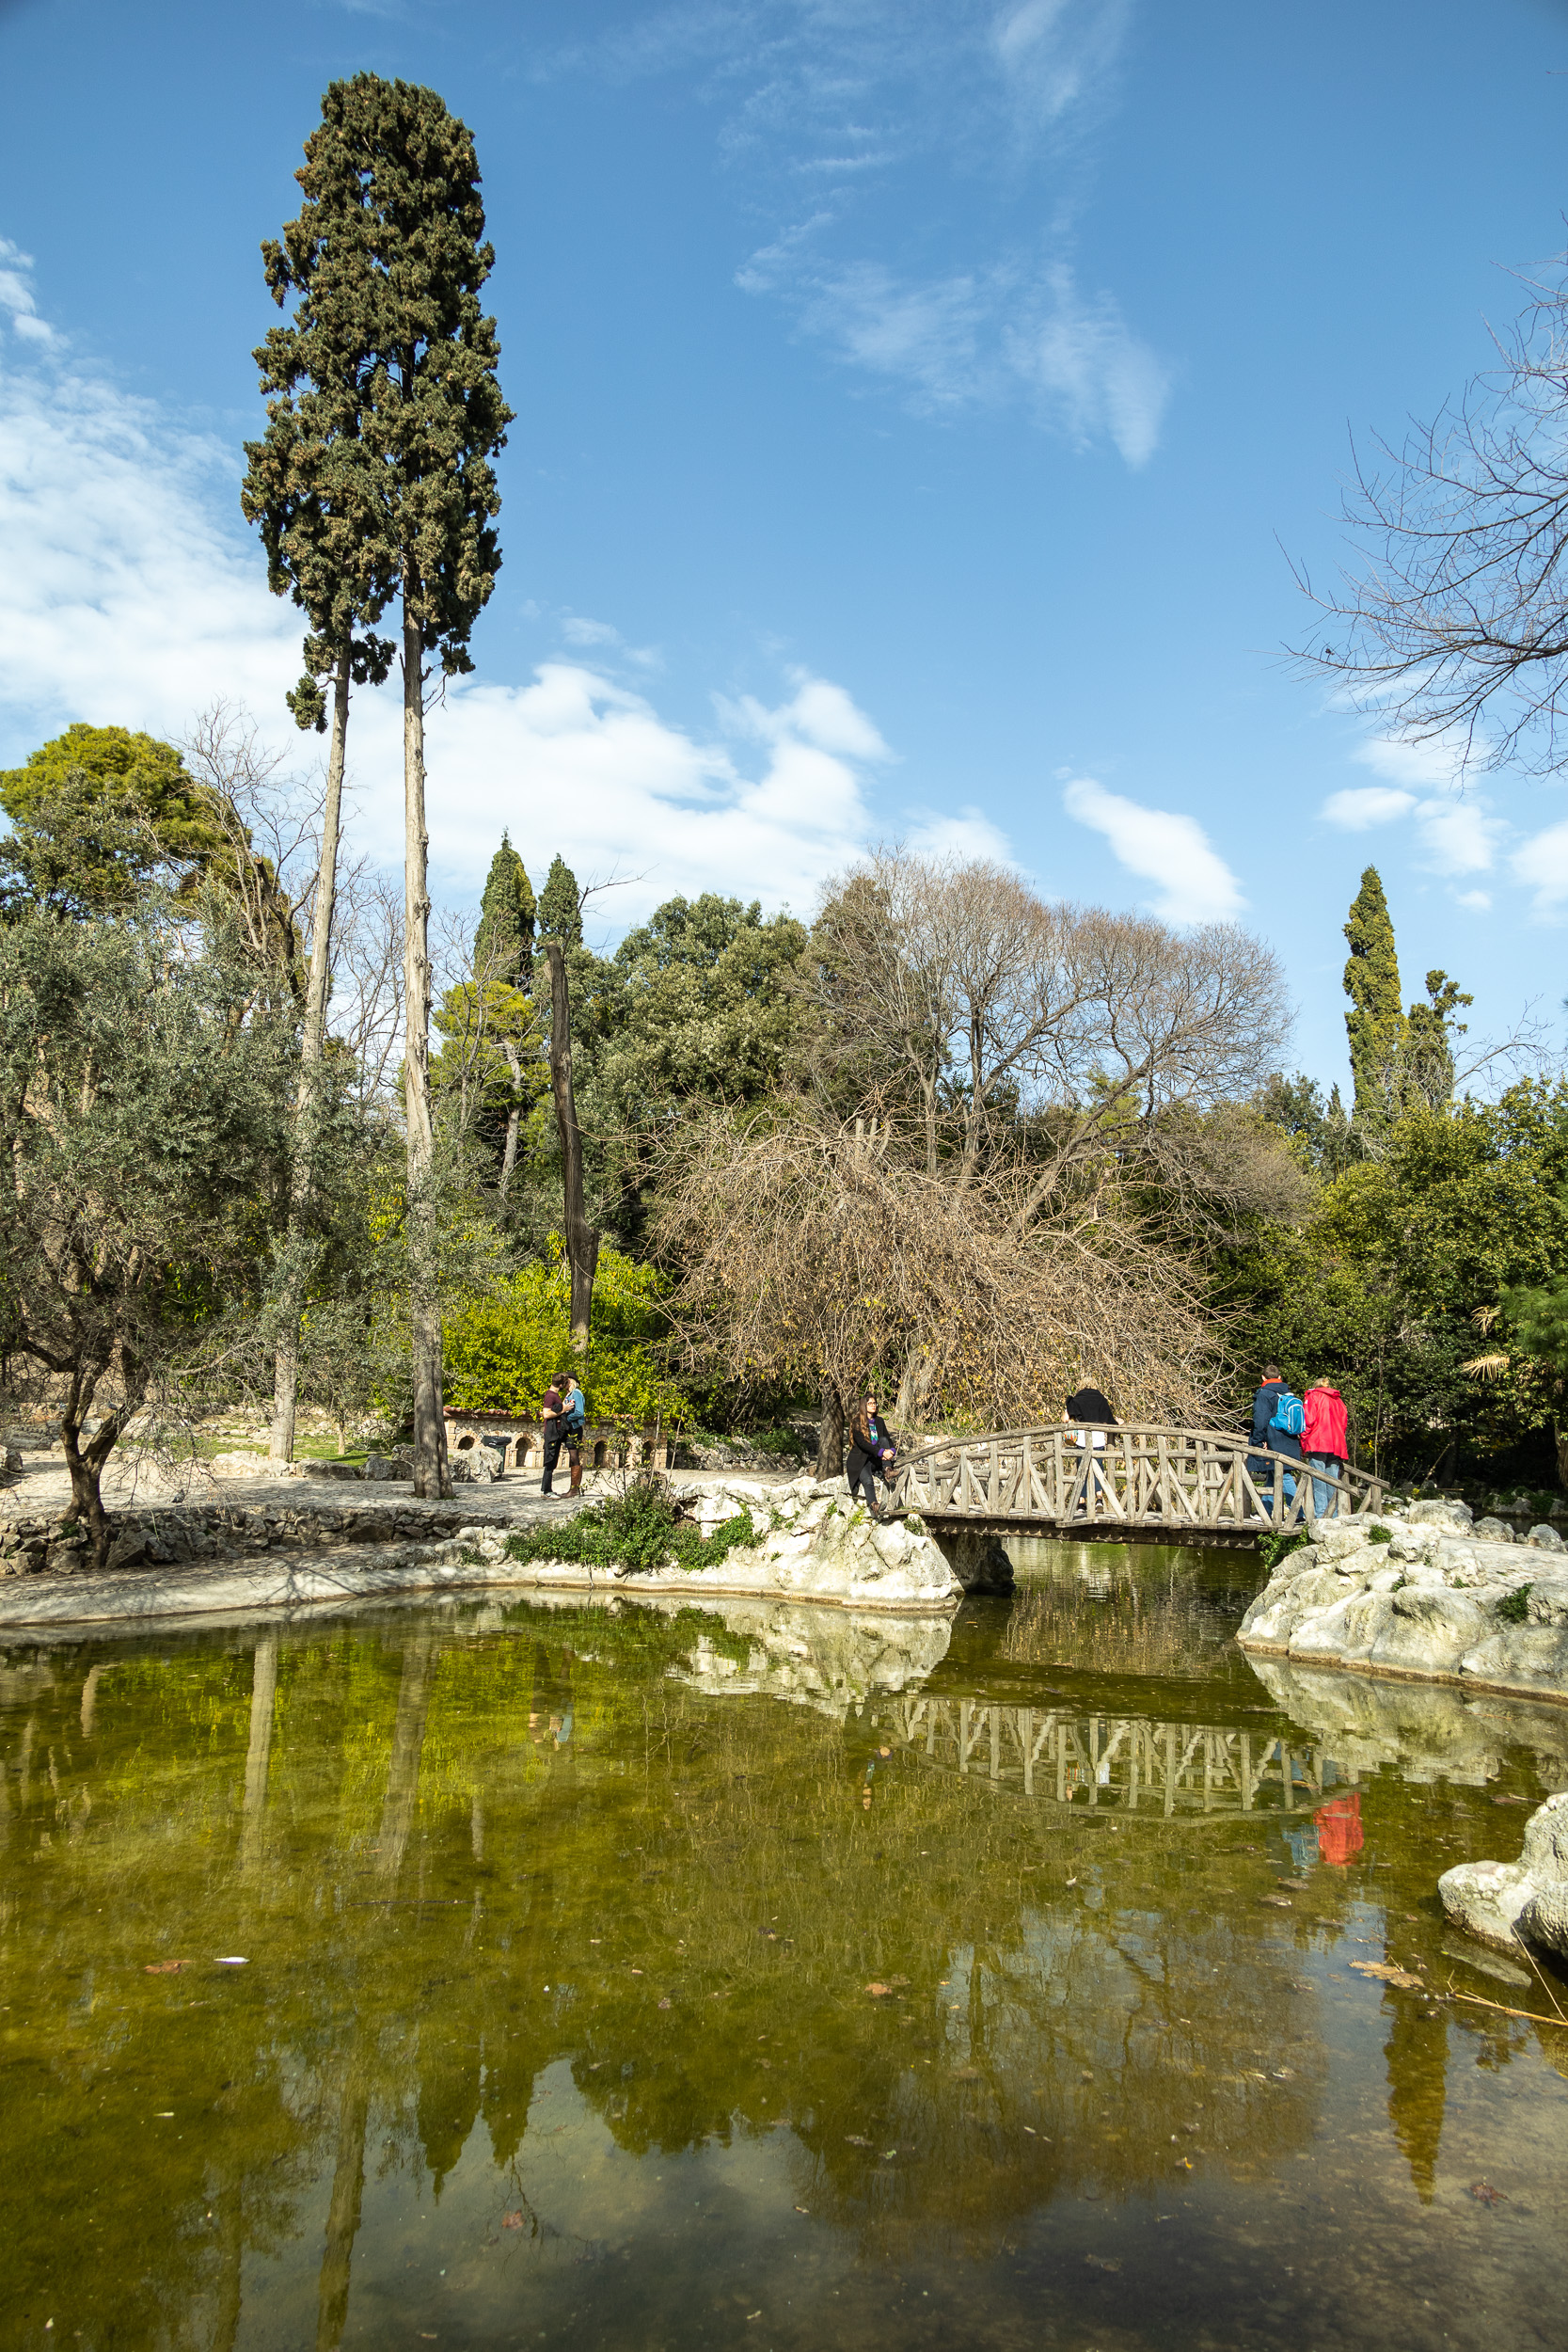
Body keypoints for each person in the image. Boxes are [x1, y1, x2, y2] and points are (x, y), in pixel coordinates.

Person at [1249, 1363, 1302, 1513]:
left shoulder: (1264, 1394)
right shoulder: (1287, 1393)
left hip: (1273, 1440)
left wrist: (1258, 1441)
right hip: (1290, 1438)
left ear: (1263, 1377)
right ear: (1279, 1377)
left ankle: (1298, 1513)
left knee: (1283, 1475)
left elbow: (1260, 1420)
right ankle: (1265, 1511)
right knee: (1273, 1474)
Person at [1302, 1375, 1349, 1519]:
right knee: (1332, 1479)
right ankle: (1333, 1515)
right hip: (1336, 1443)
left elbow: (1308, 1420)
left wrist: (1304, 1439)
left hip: (1318, 1441)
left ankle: (1321, 1515)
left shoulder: (1313, 1396)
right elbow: (1344, 1422)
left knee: (1319, 1478)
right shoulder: (1338, 1400)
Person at [846, 1391, 896, 1519]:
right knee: (867, 1481)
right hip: (860, 1460)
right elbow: (862, 1444)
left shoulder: (879, 1421)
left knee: (884, 1440)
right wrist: (881, 1452)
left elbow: (888, 1440)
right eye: (870, 1403)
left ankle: (888, 1470)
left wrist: (891, 1451)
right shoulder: (857, 1421)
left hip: (876, 1459)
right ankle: (874, 1506)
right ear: (864, 1405)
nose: (873, 1405)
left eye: (874, 1403)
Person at [1065, 1383, 1116, 1511]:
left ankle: (1081, 1503)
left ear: (1081, 1386)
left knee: (1082, 1469)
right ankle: (1099, 1500)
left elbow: (1065, 1419)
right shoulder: (1101, 1400)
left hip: (1082, 1440)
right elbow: (1108, 1420)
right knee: (1098, 1469)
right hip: (1098, 1440)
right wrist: (1118, 1422)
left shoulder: (1076, 1400)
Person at [560, 1372, 588, 1495]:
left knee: (574, 1456)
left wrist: (566, 1417)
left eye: (566, 1381)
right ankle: (573, 1488)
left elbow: (579, 1412)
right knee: (572, 1456)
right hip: (570, 1428)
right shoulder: (569, 1394)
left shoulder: (576, 1393)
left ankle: (575, 1489)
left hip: (574, 1428)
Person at [539, 1375, 565, 1495]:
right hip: (551, 1433)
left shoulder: (555, 1395)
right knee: (550, 1461)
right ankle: (546, 1490)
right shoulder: (550, 1396)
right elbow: (546, 1414)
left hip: (555, 1432)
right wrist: (563, 1410)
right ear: (560, 1385)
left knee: (553, 1461)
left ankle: (547, 1489)